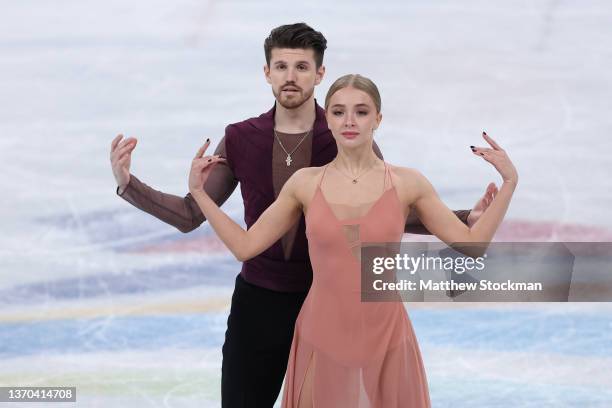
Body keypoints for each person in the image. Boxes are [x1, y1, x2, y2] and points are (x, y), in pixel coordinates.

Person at [110, 23, 497, 407]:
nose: (290, 77)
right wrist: (129, 183)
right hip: (261, 302)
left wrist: (463, 220)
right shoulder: (242, 137)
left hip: (329, 303)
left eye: (301, 67)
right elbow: (190, 213)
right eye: (281, 67)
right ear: (267, 73)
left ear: (319, 73)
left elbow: (383, 211)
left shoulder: (343, 133)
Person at [188, 74, 518, 407]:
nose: (349, 121)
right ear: (327, 119)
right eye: (338, 111)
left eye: (361, 112)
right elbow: (245, 247)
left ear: (378, 119)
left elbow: (472, 245)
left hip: (387, 334)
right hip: (322, 333)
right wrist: (200, 194)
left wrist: (509, 182)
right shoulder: (304, 183)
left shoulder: (408, 183)